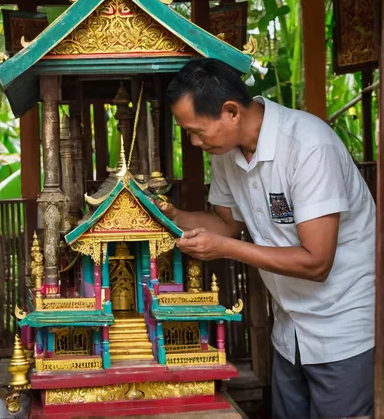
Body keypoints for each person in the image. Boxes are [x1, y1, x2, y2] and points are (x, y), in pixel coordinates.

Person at [160, 58, 376, 419]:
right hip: (290, 329)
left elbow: (316, 262)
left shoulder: (308, 145)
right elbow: (225, 226)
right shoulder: (226, 154)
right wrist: (174, 217)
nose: (195, 142)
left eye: (198, 131)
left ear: (231, 112)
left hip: (343, 327)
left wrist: (226, 250)